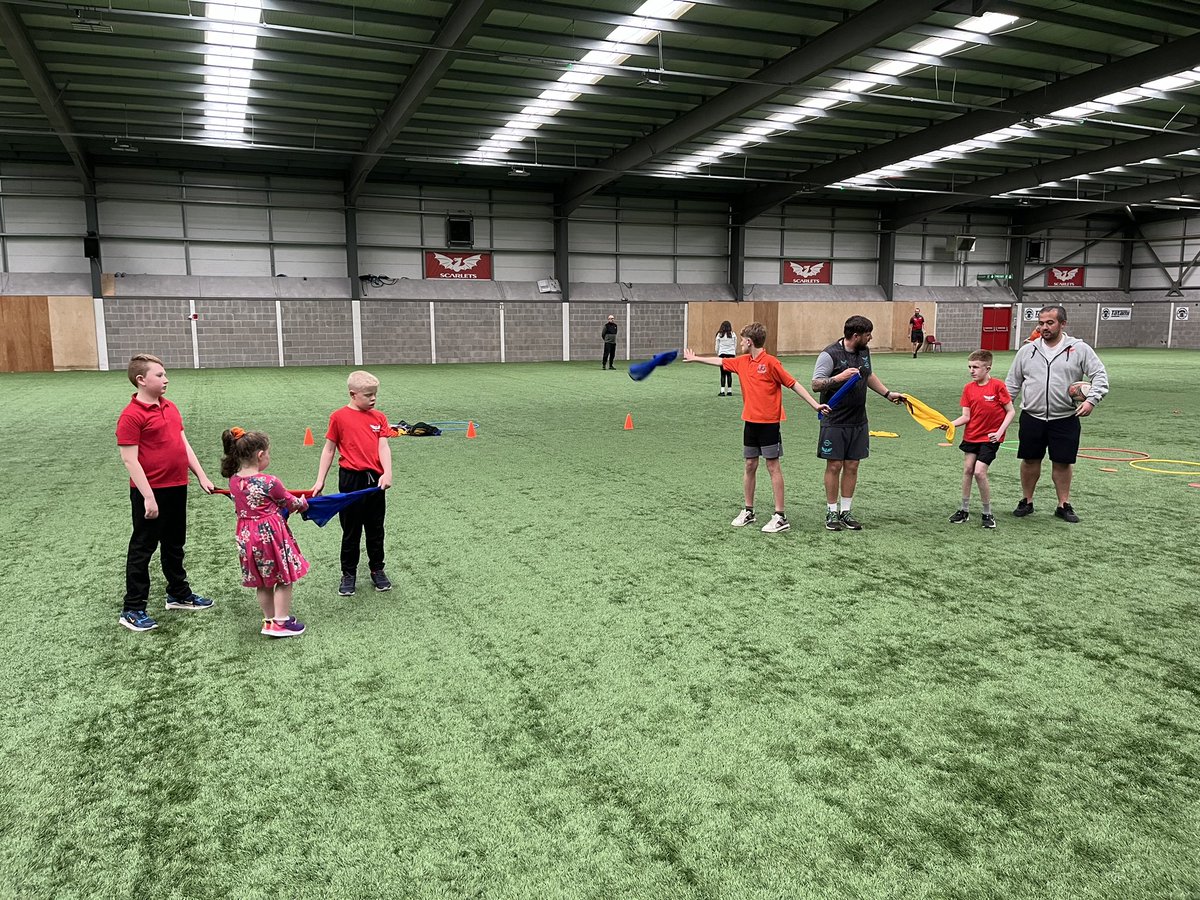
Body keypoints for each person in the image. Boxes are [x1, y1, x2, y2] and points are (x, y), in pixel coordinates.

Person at [683, 322, 830, 534]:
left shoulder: (771, 363)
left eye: (742, 340)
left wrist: (815, 405)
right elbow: (721, 362)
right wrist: (696, 358)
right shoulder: (742, 362)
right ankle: (748, 511)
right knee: (750, 465)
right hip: (750, 422)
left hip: (770, 423)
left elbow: (793, 384)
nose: (740, 343)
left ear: (749, 342)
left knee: (772, 467)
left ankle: (780, 516)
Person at [116, 353, 216, 632]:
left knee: (174, 544)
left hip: (176, 488)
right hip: (150, 492)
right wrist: (148, 496)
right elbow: (129, 460)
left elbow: (183, 444)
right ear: (141, 380)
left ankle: (178, 594)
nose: (165, 379)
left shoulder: (170, 407)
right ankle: (133, 608)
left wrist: (201, 476)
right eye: (159, 375)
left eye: (164, 374)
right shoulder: (131, 416)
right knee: (142, 549)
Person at [1003, 305, 1109, 523]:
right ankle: (1027, 500)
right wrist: (1003, 409)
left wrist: (1091, 400)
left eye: (1049, 323)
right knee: (1030, 460)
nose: (1044, 327)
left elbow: (1100, 375)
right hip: (1032, 416)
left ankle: (1063, 504)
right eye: (1041, 323)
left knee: (1062, 462)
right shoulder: (1028, 351)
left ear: (1063, 324)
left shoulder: (1080, 349)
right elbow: (1012, 383)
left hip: (1065, 417)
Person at [811, 315, 905, 531]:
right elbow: (816, 385)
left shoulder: (864, 351)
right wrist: (839, 378)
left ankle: (846, 512)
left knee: (852, 466)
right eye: (868, 334)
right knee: (834, 465)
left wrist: (887, 393)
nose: (870, 338)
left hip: (858, 420)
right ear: (856, 335)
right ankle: (831, 512)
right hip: (834, 420)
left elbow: (867, 375)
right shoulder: (829, 354)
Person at [221, 427, 310, 637]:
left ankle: (270, 619)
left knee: (262, 581)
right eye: (268, 453)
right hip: (269, 535)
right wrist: (304, 503)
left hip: (245, 535)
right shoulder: (270, 482)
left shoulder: (234, 481)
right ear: (260, 455)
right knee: (283, 577)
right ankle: (281, 622)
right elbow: (291, 503)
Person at [311, 370, 394, 595]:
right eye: (368, 395)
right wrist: (320, 480)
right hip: (350, 480)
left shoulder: (379, 417)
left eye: (375, 394)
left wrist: (387, 472)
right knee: (351, 530)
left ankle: (377, 569)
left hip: (375, 482)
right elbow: (328, 450)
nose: (373, 399)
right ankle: (348, 574)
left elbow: (383, 446)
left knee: (376, 529)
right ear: (353, 394)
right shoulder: (338, 417)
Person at [943, 350, 1016, 530]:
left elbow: (1011, 411)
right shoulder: (968, 388)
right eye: (969, 367)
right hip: (972, 436)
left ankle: (987, 513)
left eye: (975, 367)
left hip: (990, 438)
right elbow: (966, 416)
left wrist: (999, 433)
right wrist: (950, 424)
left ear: (987, 368)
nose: (971, 371)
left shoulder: (998, 386)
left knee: (979, 472)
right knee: (968, 469)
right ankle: (964, 510)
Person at [715, 320, 737, 396]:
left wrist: (718, 353)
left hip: (722, 354)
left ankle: (722, 391)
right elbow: (735, 345)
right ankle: (730, 391)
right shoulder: (733, 334)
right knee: (729, 373)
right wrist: (733, 353)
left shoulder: (719, 335)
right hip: (731, 354)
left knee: (722, 373)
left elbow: (717, 346)